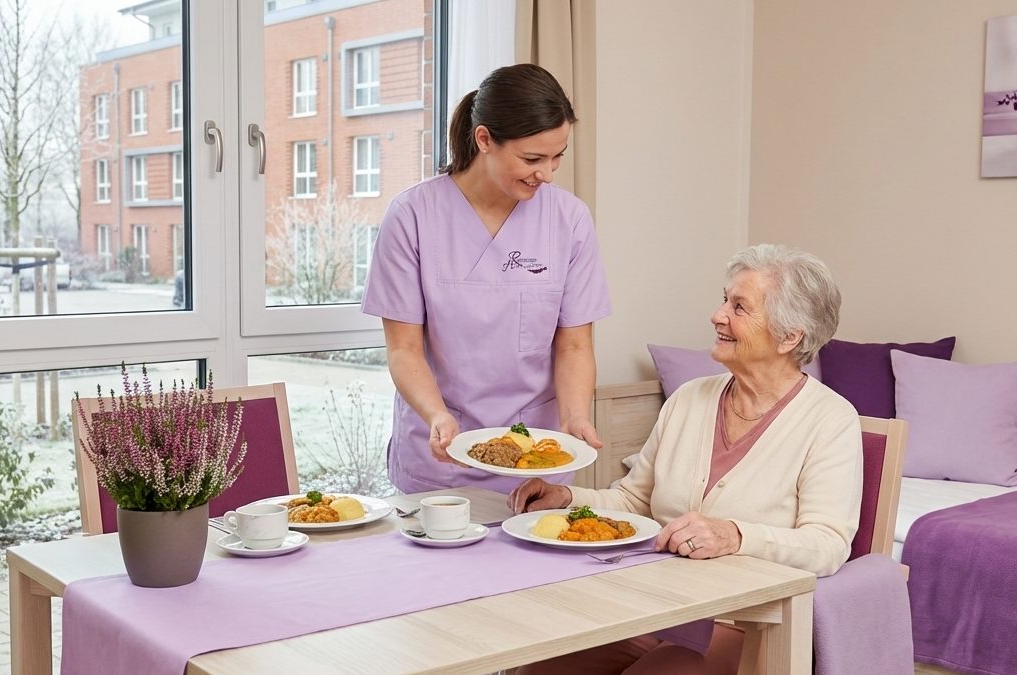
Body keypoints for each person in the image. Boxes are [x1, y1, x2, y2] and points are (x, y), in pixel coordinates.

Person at [508, 244, 863, 674]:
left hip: (747, 623)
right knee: (534, 667)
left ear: (790, 337)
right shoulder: (689, 399)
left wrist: (734, 535)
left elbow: (827, 546)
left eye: (739, 306)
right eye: (723, 300)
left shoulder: (830, 419)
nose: (717, 315)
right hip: (651, 608)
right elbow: (634, 503)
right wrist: (566, 498)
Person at [361, 64, 611, 494]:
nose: (547, 174)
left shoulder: (569, 219)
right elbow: (403, 348)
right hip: (442, 450)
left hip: (538, 453)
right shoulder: (413, 217)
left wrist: (574, 418)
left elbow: (573, 343)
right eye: (532, 158)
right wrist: (437, 415)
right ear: (484, 139)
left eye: (557, 158)